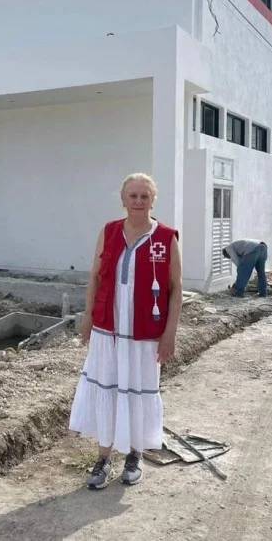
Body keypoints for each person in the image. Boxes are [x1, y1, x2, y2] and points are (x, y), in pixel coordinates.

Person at [69, 173, 182, 490]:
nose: (138, 201)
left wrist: (169, 333)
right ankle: (103, 459)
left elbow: (176, 288)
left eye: (144, 196)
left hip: (145, 334)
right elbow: (94, 277)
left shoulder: (166, 237)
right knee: (107, 389)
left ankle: (134, 455)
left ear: (153, 199)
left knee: (136, 390)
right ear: (123, 199)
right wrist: (88, 316)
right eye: (132, 196)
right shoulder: (108, 232)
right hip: (109, 330)